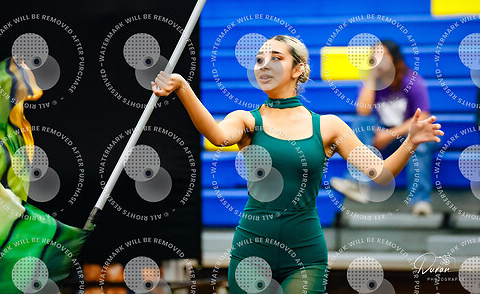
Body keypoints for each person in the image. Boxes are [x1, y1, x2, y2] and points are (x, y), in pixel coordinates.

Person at [151, 35, 443, 293]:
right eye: (259, 59)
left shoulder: (328, 126)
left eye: (276, 58)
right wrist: (183, 88)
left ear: (298, 69)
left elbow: (381, 174)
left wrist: (411, 141)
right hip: (252, 250)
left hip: (305, 254)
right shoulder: (246, 120)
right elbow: (216, 135)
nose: (264, 64)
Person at [330, 40, 435, 216]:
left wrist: (390, 134)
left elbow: (423, 116)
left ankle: (421, 201)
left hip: (408, 135)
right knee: (362, 122)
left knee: (421, 144)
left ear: (394, 58)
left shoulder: (412, 81)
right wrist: (371, 78)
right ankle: (355, 182)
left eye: (383, 55)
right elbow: (363, 112)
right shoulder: (372, 82)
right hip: (381, 137)